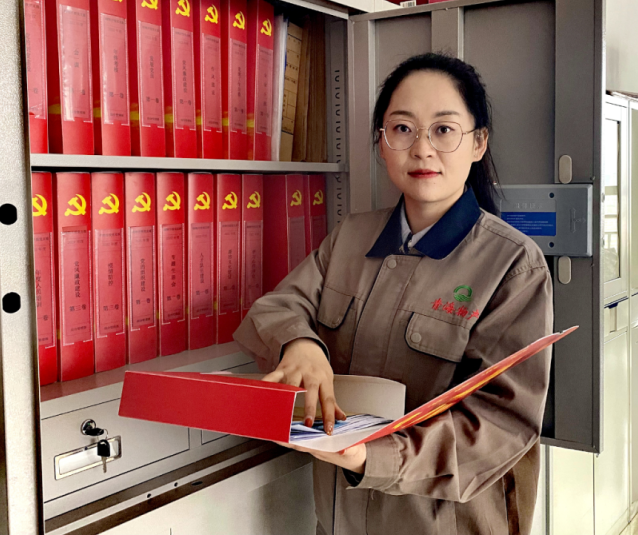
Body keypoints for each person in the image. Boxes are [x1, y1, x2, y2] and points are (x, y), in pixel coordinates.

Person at [234, 53, 553, 535]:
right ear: (382, 143)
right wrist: (299, 344)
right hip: (339, 519)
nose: (422, 149)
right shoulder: (351, 237)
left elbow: (500, 424)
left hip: (441, 523)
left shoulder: (512, 264)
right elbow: (280, 305)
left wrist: (375, 457)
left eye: (443, 130)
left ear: (478, 143)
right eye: (402, 129)